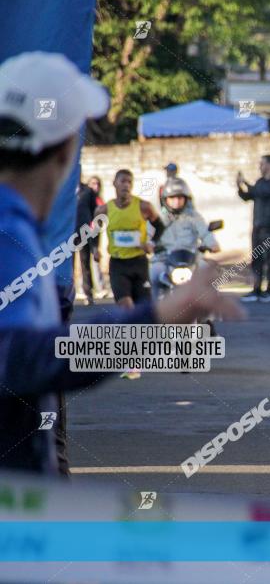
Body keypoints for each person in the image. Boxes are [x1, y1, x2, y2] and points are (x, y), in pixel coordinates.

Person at [0, 51, 244, 474]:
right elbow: (19, 360)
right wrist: (157, 317)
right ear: (65, 150)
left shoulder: (18, 227)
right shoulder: (10, 233)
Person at [94, 169, 163, 309]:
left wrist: (150, 244)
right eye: (123, 181)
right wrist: (95, 248)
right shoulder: (104, 210)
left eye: (129, 182)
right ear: (114, 183)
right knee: (126, 306)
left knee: (143, 309)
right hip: (118, 265)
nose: (126, 185)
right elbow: (94, 231)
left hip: (139, 263)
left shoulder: (144, 206)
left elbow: (160, 227)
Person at [149, 177, 219, 299]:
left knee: (209, 273)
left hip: (192, 258)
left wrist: (212, 244)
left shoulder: (194, 216)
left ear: (186, 199)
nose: (176, 201)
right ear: (165, 199)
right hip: (164, 258)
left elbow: (205, 232)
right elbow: (147, 235)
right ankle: (156, 311)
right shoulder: (157, 218)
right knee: (155, 274)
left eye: (180, 197)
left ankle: (209, 314)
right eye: (172, 198)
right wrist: (148, 245)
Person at [237, 155, 270, 302]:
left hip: (269, 226)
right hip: (257, 225)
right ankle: (256, 288)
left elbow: (262, 192)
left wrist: (246, 182)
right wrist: (240, 186)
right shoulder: (260, 182)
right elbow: (248, 196)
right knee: (256, 258)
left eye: (262, 164)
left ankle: (268, 290)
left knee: (268, 259)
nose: (260, 167)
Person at [75, 176, 101, 305]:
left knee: (85, 263)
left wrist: (96, 244)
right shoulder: (62, 189)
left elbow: (95, 214)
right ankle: (65, 295)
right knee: (66, 265)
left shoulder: (87, 191)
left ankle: (88, 294)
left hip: (83, 232)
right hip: (67, 232)